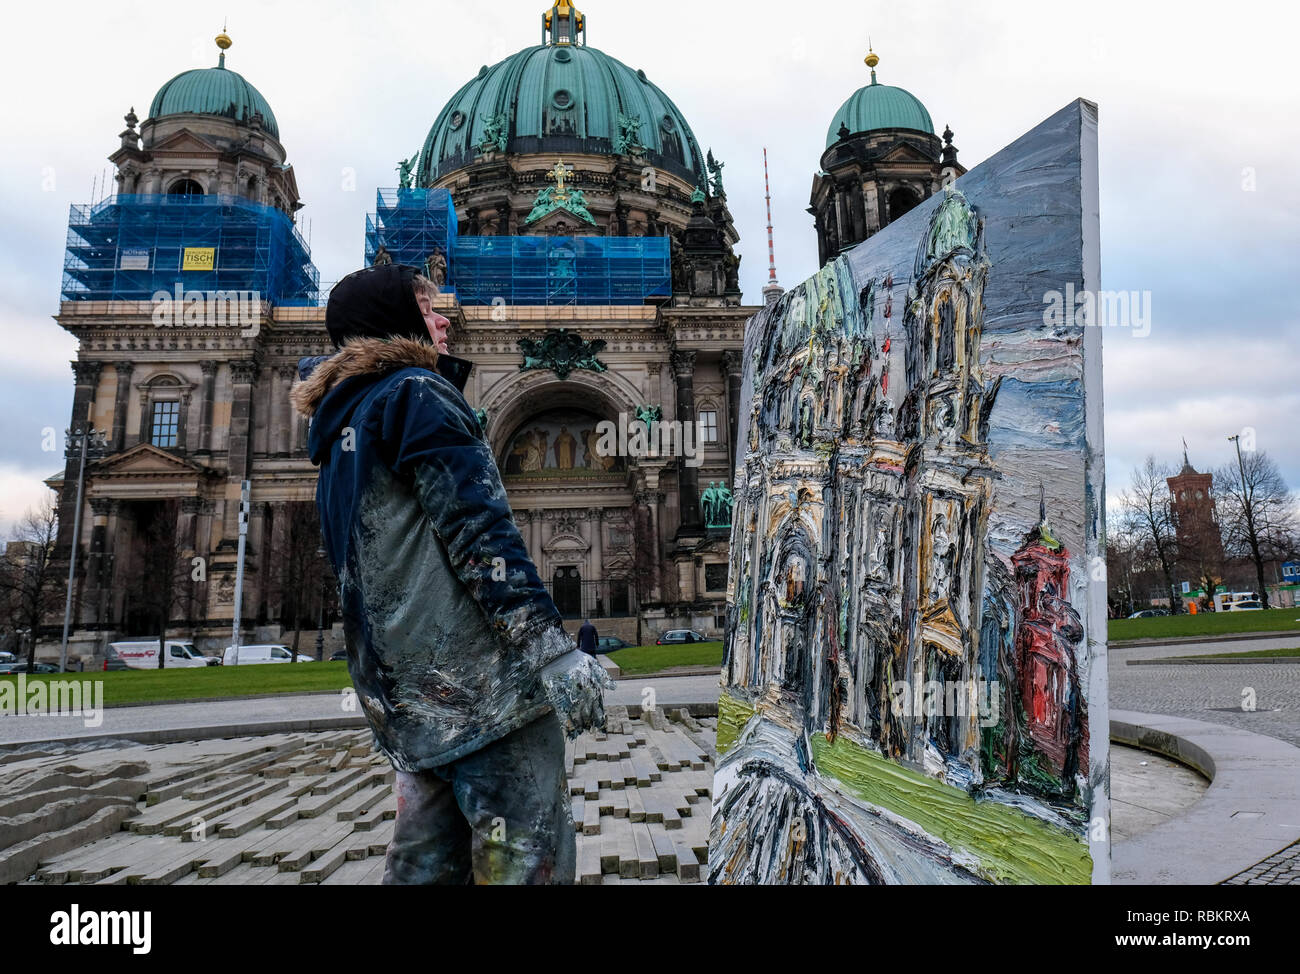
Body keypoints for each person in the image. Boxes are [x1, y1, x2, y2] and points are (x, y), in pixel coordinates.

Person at [291, 263, 613, 884]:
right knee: (524, 860)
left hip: (409, 700)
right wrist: (550, 650)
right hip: (483, 690)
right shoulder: (417, 391)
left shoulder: (337, 430)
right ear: (393, 324)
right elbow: (476, 531)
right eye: (425, 307)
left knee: (422, 867)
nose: (442, 319)